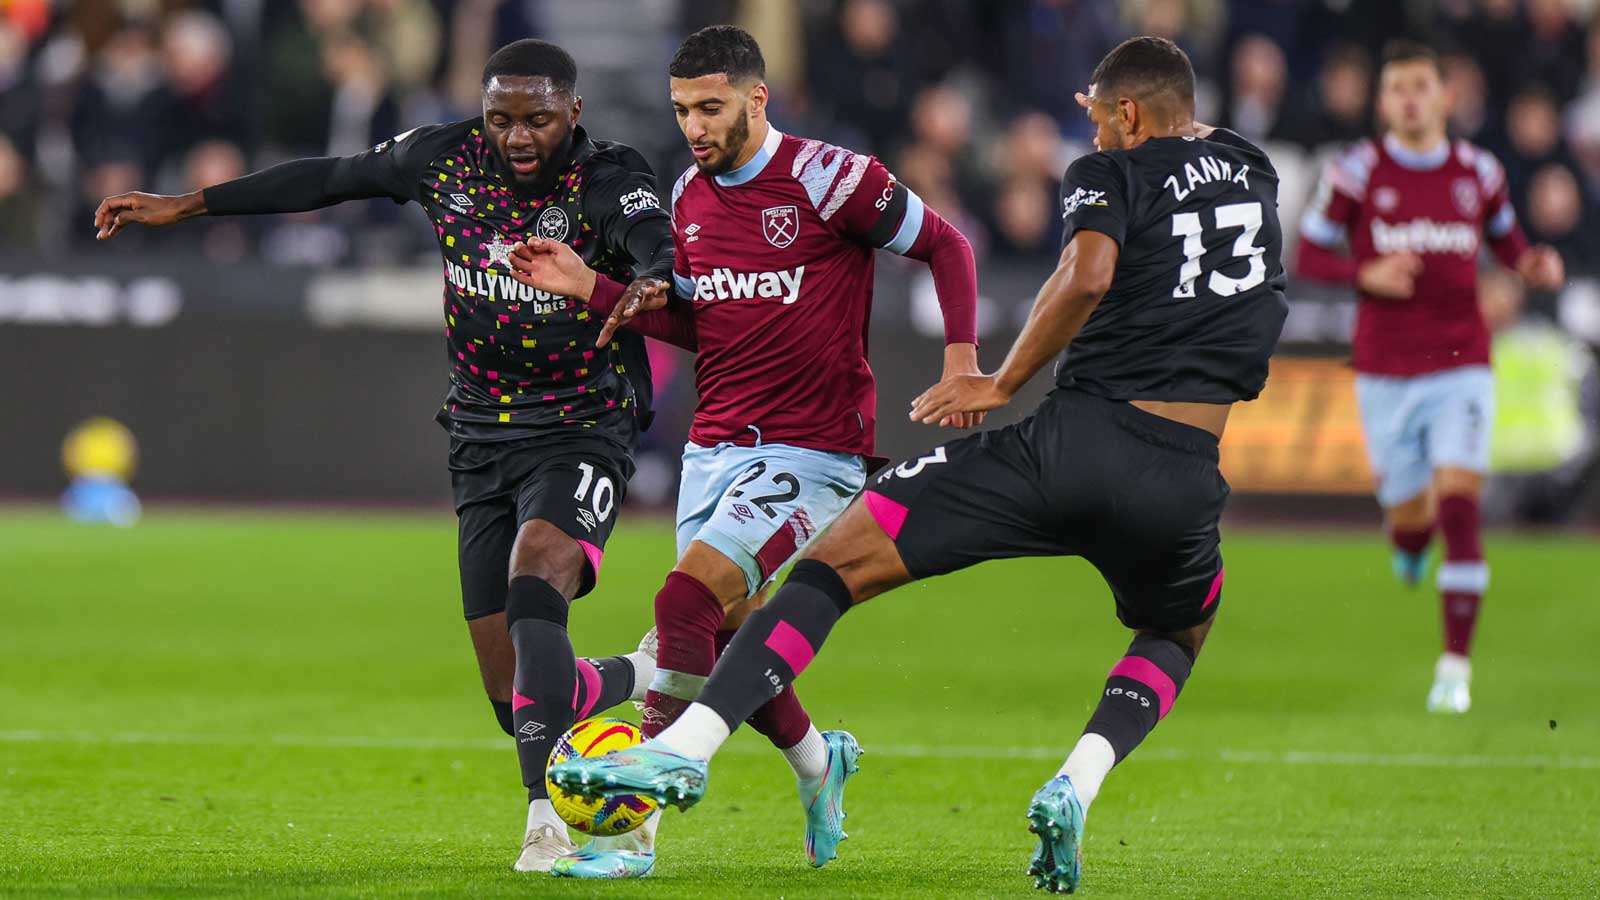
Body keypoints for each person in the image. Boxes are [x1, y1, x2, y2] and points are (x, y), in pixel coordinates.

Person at [547, 36, 1288, 895]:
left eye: (1093, 113)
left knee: (826, 571)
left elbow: (1076, 271)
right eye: (683, 111)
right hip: (1191, 472)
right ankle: (1064, 782)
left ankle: (674, 757)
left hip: (1050, 443)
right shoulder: (1253, 167)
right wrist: (598, 292)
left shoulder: (1094, 173)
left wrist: (993, 374)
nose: (1085, 127)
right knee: (1177, 629)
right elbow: (1254, 295)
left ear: (1127, 114)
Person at [92, 39, 671, 873]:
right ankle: (636, 673)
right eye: (501, 117)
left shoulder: (609, 176)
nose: (516, 136)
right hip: (479, 434)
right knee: (514, 697)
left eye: (537, 119)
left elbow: (654, 240)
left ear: (571, 114)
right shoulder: (442, 158)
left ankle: (545, 817)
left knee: (536, 580)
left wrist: (649, 280)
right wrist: (189, 205)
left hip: (585, 424)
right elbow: (326, 180)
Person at [504, 24, 979, 879]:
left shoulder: (834, 179)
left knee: (682, 605)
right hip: (716, 449)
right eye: (683, 108)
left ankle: (632, 830)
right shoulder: (688, 193)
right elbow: (700, 321)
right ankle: (817, 764)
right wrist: (592, 287)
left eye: (712, 107)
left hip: (814, 453)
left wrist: (961, 359)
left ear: (758, 99)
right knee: (721, 638)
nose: (694, 125)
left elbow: (948, 244)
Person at [1296, 41, 1564, 714]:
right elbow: (1305, 252)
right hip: (1385, 370)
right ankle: (1410, 544)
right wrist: (1366, 273)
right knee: (1412, 520)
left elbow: (1508, 242)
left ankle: (1453, 668)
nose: (1410, 99)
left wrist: (1530, 266)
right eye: (1397, 88)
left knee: (1460, 504)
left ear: (1446, 97)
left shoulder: (1479, 171)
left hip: (1461, 362)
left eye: (1421, 86)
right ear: (1382, 101)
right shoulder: (1356, 172)